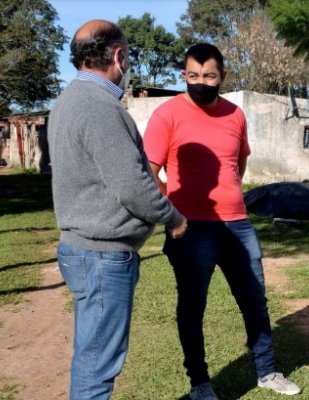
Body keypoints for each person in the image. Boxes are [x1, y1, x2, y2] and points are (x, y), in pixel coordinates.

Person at [143, 43, 301, 400]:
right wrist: (172, 212)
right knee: (193, 305)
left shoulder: (235, 115)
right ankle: (200, 383)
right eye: (193, 76)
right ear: (184, 76)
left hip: (237, 224)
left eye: (209, 76)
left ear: (223, 77)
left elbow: (238, 164)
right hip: (190, 227)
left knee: (255, 301)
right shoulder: (166, 115)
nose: (201, 82)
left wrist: (229, 196)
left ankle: (266, 371)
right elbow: (149, 171)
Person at [48, 20, 187, 400]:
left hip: (82, 249)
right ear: (118, 55)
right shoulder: (99, 107)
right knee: (98, 365)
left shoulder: (67, 102)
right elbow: (134, 186)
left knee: (91, 355)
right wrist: (173, 219)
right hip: (102, 255)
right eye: (128, 56)